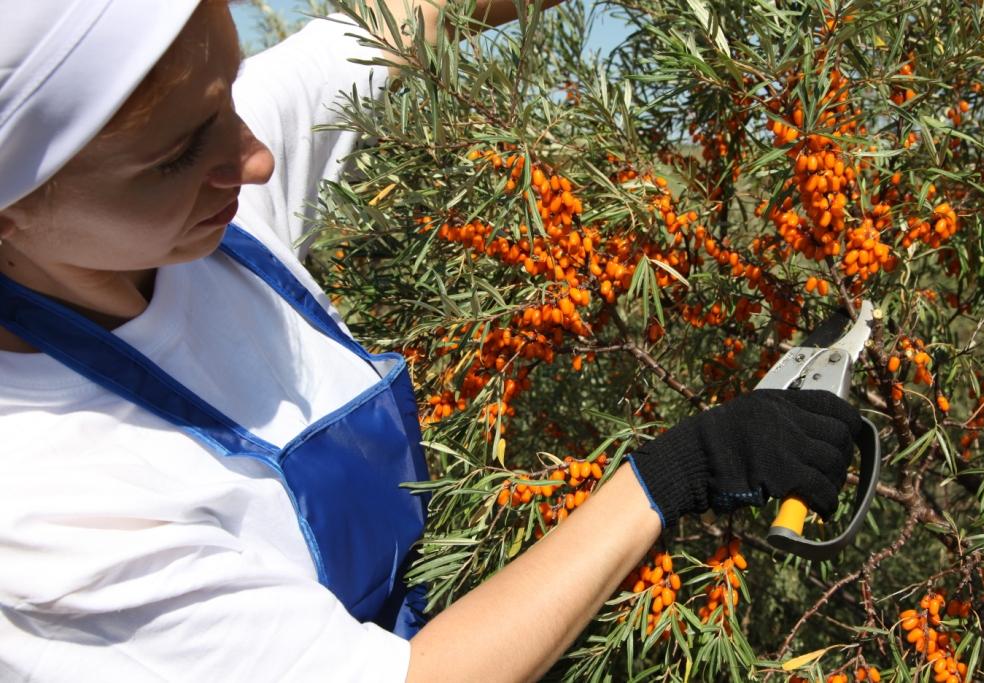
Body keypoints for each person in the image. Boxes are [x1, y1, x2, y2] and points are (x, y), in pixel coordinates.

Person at [0, 1, 863, 681]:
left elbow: (408, 17)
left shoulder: (201, 204)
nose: (253, 156)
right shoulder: (45, 506)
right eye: (179, 155)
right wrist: (678, 471)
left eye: (228, 90)